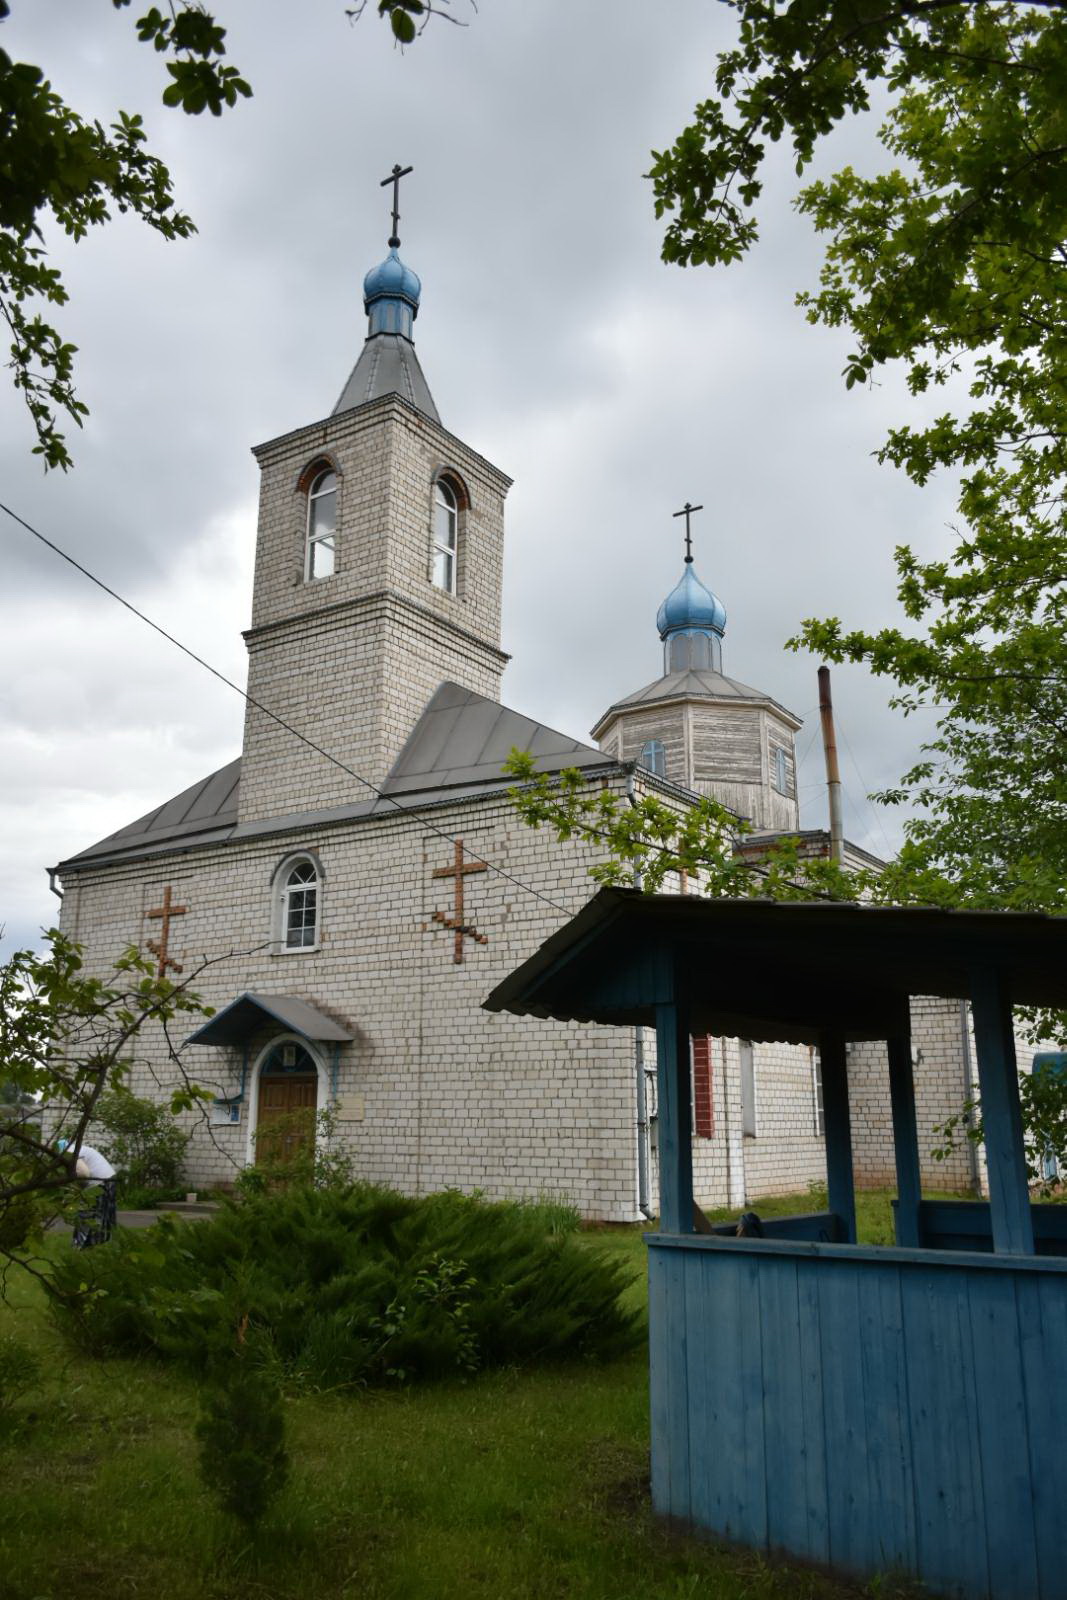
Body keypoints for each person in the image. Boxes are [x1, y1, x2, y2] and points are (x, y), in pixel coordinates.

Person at [59, 1139, 118, 1248]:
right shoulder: (77, 1149)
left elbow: (84, 1173)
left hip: (99, 1182)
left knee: (88, 1213)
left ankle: (83, 1244)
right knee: (104, 1214)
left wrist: (76, 1192)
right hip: (108, 1178)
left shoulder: (71, 1152)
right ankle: (103, 1242)